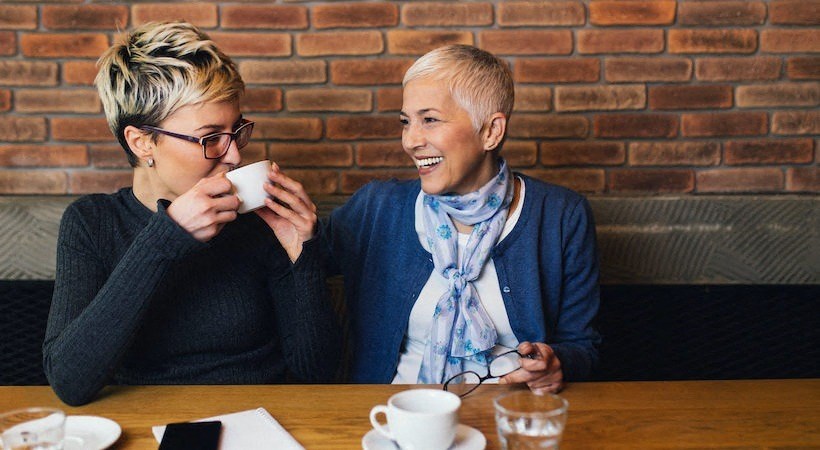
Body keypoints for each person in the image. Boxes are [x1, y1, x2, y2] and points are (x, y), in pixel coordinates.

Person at [43, 21, 340, 406]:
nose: (234, 155)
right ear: (143, 141)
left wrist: (303, 252)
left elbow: (317, 373)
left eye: (236, 131)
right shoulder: (92, 223)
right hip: (148, 425)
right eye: (210, 138)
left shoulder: (257, 223)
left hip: (262, 421)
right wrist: (164, 239)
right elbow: (69, 381)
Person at [321, 45, 600, 393]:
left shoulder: (561, 216)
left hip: (510, 415)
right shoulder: (378, 208)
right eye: (406, 122)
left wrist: (557, 363)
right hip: (395, 417)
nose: (410, 140)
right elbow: (297, 264)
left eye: (430, 120)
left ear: (490, 131)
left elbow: (583, 347)